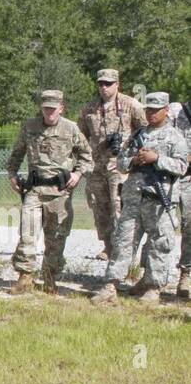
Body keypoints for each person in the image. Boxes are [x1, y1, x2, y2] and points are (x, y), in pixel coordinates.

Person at [91, 92, 189, 305]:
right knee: (123, 241)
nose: (151, 113)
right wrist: (135, 159)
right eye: (149, 109)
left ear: (166, 111)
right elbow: (121, 163)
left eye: (156, 109)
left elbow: (181, 167)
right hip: (134, 198)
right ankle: (111, 285)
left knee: (159, 243)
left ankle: (153, 288)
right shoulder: (137, 136)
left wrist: (158, 159)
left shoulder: (175, 137)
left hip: (159, 202)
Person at [5, 90, 92, 295]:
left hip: (60, 192)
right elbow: (17, 153)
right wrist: (12, 174)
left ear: (61, 108)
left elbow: (87, 156)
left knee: (56, 237)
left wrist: (78, 174)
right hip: (34, 190)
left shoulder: (71, 129)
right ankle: (25, 277)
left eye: (53, 109)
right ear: (41, 108)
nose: (49, 113)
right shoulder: (30, 126)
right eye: (46, 108)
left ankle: (50, 278)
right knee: (27, 233)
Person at [77, 70, 146, 261]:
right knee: (100, 207)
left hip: (121, 165)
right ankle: (107, 245)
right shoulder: (89, 108)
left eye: (108, 83)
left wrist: (133, 150)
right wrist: (85, 156)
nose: (104, 87)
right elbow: (80, 134)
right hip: (96, 166)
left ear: (117, 84)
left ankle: (122, 249)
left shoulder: (131, 105)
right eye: (101, 84)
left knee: (119, 207)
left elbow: (146, 130)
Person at [172, 100, 191, 300]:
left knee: (189, 224)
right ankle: (150, 277)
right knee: (158, 225)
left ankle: (185, 274)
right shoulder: (176, 112)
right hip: (170, 177)